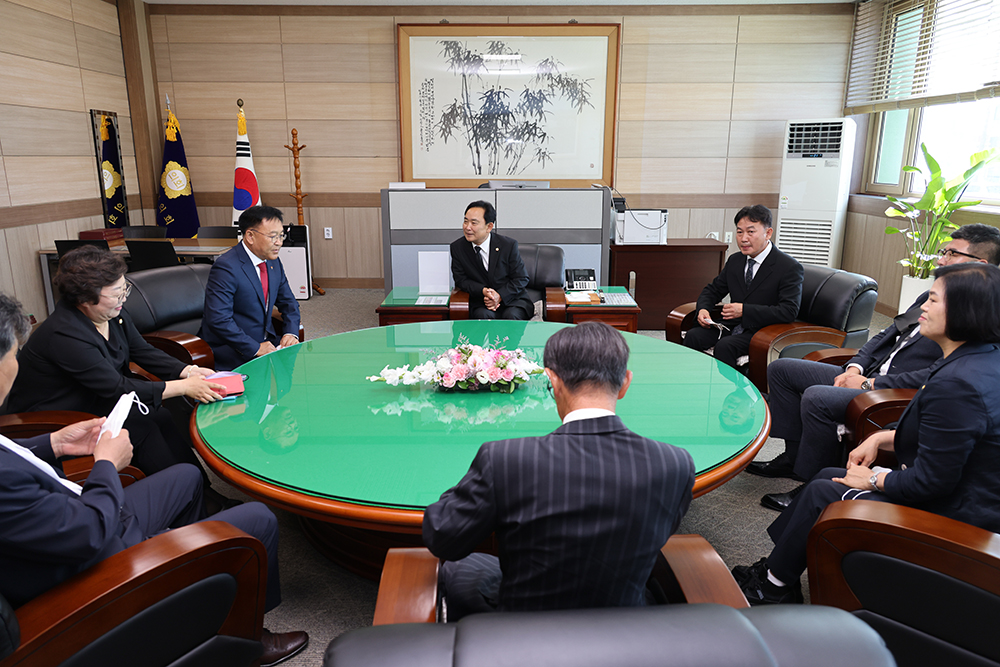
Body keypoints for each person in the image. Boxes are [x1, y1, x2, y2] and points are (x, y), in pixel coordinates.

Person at [0, 293, 308, 666]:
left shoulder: (112, 319)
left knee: (186, 476)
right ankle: (248, 637)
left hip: (76, 519)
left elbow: (11, 455)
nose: (17, 363)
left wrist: (54, 443)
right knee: (258, 518)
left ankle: (197, 582)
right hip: (97, 559)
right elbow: (89, 532)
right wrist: (105, 466)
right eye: (14, 354)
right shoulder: (8, 482)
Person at [733, 262, 1000, 605]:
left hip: (954, 517)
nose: (924, 306)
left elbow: (932, 484)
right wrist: (881, 438)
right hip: (964, 494)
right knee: (829, 475)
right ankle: (776, 571)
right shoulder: (978, 358)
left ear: (965, 312)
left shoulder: (958, 385)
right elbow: (950, 434)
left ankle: (771, 588)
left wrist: (873, 480)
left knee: (823, 493)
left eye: (933, 300)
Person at [423, 322, 696, 620]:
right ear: (625, 383)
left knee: (459, 567)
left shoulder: (504, 459)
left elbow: (442, 536)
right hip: (623, 624)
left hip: (525, 627)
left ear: (553, 381)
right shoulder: (676, 464)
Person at [749, 223, 1000, 511]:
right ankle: (793, 457)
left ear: (980, 264)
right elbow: (885, 334)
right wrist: (855, 367)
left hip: (893, 392)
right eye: (944, 252)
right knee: (783, 370)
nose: (941, 259)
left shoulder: (976, 317)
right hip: (871, 373)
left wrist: (871, 385)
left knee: (818, 396)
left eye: (952, 254)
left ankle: (807, 482)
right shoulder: (933, 295)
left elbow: (937, 374)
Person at [6, 247, 232, 510]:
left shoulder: (113, 315)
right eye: (116, 293)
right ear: (85, 298)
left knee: (162, 415)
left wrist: (188, 371)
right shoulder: (64, 334)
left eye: (124, 289)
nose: (123, 298)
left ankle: (203, 491)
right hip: (58, 416)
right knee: (141, 426)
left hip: (97, 400)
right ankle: (189, 503)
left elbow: (142, 350)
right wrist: (184, 387)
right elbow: (116, 387)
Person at [684, 205, 804, 369]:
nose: (743, 238)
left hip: (763, 331)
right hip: (733, 325)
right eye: (739, 232)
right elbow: (713, 290)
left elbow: (789, 310)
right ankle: (694, 383)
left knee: (726, 346)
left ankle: (728, 392)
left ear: (768, 233)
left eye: (750, 232)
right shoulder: (736, 260)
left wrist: (745, 310)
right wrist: (703, 309)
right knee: (693, 336)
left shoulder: (788, 267)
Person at [201, 205, 301, 371]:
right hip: (233, 349)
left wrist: (290, 333)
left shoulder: (272, 261)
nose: (279, 242)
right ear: (250, 236)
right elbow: (218, 319)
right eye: (272, 236)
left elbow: (289, 303)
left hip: (267, 343)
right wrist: (255, 347)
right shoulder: (226, 267)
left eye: (281, 235)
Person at [450, 200, 534, 320]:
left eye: (474, 223)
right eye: (465, 221)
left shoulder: (508, 245)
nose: (467, 227)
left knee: (511, 316)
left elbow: (521, 278)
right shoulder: (458, 247)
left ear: (489, 226)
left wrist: (499, 296)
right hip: (481, 301)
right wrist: (484, 291)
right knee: (483, 316)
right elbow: (461, 280)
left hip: (512, 300)